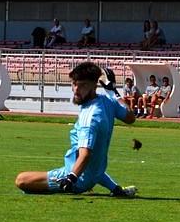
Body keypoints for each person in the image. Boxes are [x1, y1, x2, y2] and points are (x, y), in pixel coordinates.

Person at [14, 61, 137, 197]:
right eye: (74, 84)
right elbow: (130, 118)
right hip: (95, 174)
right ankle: (116, 189)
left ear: (94, 85)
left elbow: (85, 154)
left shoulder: (89, 116)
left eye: (82, 85)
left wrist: (71, 178)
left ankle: (70, 182)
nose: (76, 89)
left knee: (21, 180)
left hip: (76, 178)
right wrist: (113, 91)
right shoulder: (106, 100)